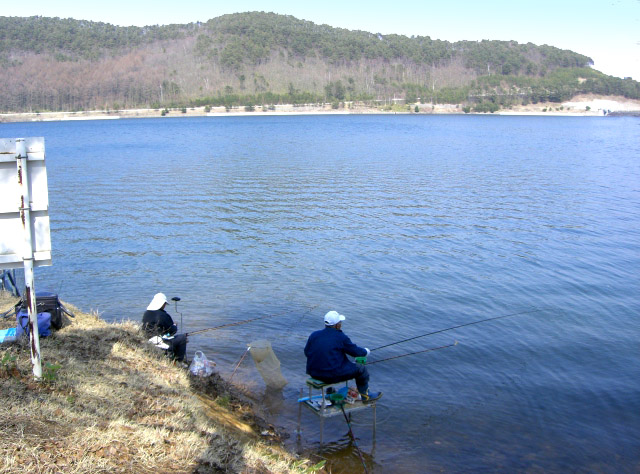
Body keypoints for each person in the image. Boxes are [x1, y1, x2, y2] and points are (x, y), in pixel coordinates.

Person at [304, 310, 382, 402]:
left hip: (314, 373)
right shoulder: (340, 336)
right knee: (361, 369)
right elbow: (356, 352)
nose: (341, 324)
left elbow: (306, 352)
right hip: (330, 376)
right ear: (337, 325)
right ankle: (366, 396)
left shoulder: (314, 335)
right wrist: (366, 351)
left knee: (346, 364)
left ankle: (332, 390)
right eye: (340, 322)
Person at [142, 293, 188, 362]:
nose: (165, 306)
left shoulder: (146, 313)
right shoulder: (163, 315)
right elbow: (172, 331)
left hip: (148, 339)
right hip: (160, 342)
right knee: (183, 338)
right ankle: (179, 361)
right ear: (162, 304)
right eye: (164, 304)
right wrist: (175, 325)